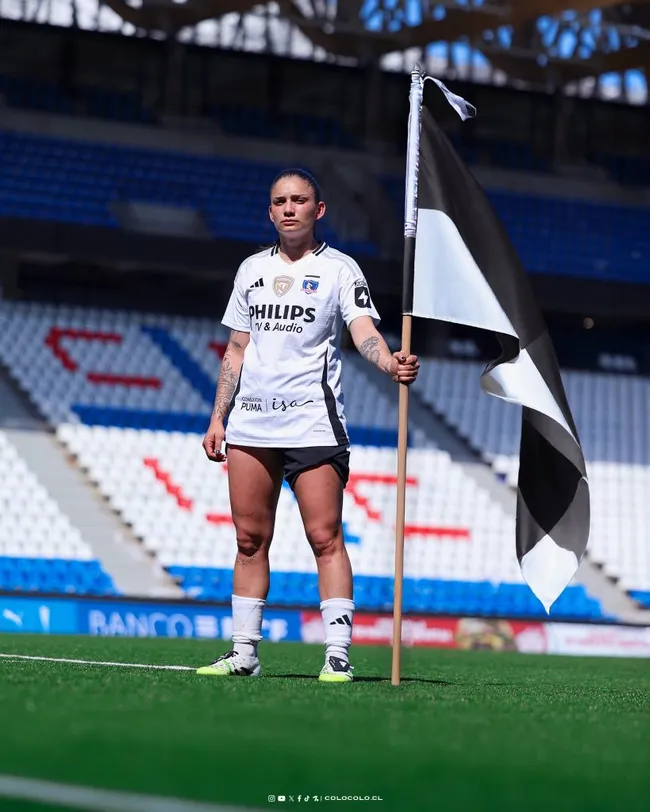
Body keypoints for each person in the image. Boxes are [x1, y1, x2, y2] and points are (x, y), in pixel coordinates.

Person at [197, 168, 419, 682]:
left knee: (325, 537)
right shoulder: (250, 269)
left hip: (313, 425)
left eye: (300, 200)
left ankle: (337, 653)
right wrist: (218, 416)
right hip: (251, 425)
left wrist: (389, 363)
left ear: (319, 210)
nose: (290, 208)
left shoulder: (341, 270)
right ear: (270, 212)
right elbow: (236, 347)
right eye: (280, 201)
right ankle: (244, 654)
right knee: (249, 539)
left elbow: (363, 331)